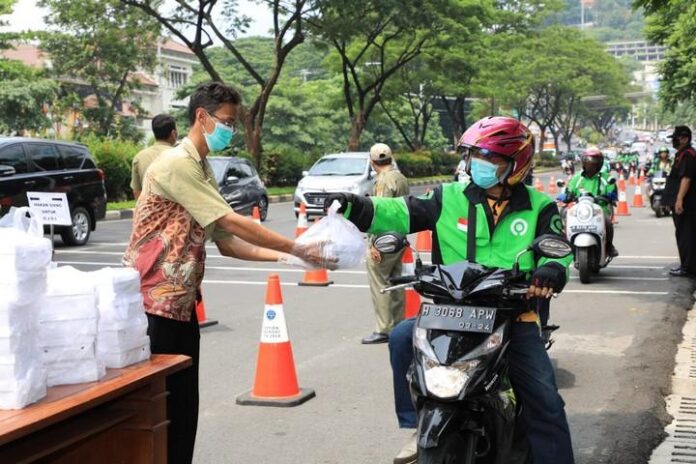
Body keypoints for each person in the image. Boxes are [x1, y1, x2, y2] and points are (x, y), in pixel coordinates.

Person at [326, 116, 575, 464]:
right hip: (451, 311)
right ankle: (419, 421)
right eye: (475, 156)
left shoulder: (539, 206)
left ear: (515, 164)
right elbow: (397, 212)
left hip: (511, 315)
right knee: (400, 338)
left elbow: (560, 251)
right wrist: (353, 205)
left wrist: (549, 271)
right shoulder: (448, 197)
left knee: (546, 402)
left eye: (491, 158)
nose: (480, 165)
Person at [123, 82, 332, 464]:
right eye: (227, 122)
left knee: (183, 409)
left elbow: (225, 241)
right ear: (201, 117)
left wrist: (288, 260)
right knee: (161, 414)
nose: (230, 131)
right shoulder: (176, 163)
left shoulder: (202, 167)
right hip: (152, 304)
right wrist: (296, 245)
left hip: (180, 305)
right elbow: (232, 222)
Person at [362, 143, 410, 344]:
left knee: (380, 282)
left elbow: (379, 211)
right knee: (396, 282)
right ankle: (398, 325)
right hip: (400, 236)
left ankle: (383, 328)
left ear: (373, 162)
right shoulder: (401, 178)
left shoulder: (382, 181)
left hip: (384, 239)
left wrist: (372, 243)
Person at [558, 147, 619, 258]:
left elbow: (613, 192)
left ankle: (609, 246)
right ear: (584, 163)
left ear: (599, 164)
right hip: (581, 211)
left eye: (594, 163)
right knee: (563, 216)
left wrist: (608, 196)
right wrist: (564, 196)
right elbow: (568, 191)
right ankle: (565, 244)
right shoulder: (577, 178)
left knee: (608, 224)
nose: (591, 166)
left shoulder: (606, 178)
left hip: (600, 210)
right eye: (588, 163)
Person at [664, 126, 696, 277]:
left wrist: (679, 200)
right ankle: (686, 265)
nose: (674, 141)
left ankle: (688, 267)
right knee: (683, 234)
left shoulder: (688, 156)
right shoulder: (682, 154)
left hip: (687, 204)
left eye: (676, 138)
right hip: (684, 203)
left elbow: (686, 178)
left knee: (686, 235)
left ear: (685, 138)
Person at [131, 114, 178, 200]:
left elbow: (136, 191)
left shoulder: (139, 157)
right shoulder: (181, 156)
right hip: (177, 212)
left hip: (149, 210)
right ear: (173, 133)